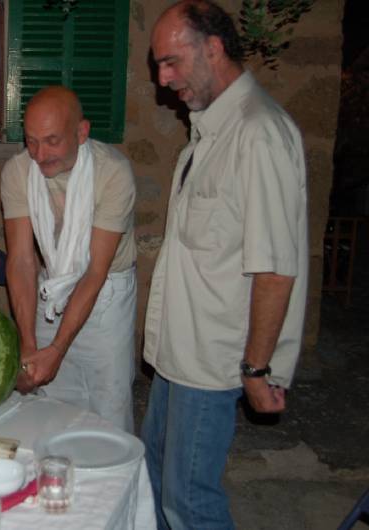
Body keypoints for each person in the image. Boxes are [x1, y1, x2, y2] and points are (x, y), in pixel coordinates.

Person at [142, 1, 309, 528]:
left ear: (213, 48)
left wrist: (256, 369)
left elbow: (276, 269)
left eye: (171, 62)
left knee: (189, 500)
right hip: (178, 353)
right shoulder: (210, 130)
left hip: (212, 362)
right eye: (158, 66)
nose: (163, 80)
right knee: (155, 477)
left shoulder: (257, 133)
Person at [1, 85, 137, 432]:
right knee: (50, 413)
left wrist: (58, 349)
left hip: (106, 293)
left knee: (107, 410)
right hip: (52, 288)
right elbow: (21, 261)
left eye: (52, 141)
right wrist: (29, 344)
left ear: (81, 132)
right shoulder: (17, 171)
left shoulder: (113, 173)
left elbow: (95, 271)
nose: (39, 154)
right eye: (31, 141)